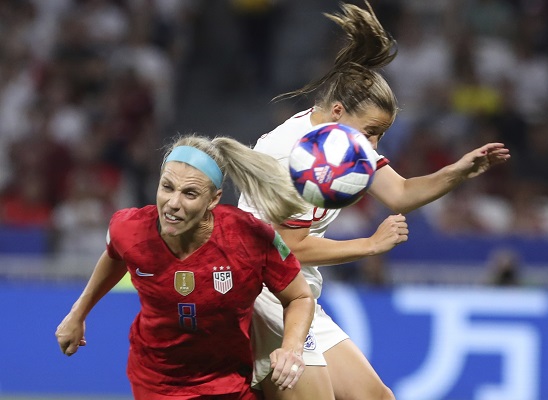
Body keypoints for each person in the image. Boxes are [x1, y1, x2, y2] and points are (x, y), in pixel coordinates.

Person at [237, 2, 511, 399]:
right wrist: (369, 245)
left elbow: (399, 192)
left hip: (296, 292)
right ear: (337, 111)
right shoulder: (290, 156)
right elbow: (288, 247)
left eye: (379, 135)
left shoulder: (341, 143)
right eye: (370, 132)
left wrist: (459, 172)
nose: (374, 146)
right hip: (263, 291)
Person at [56, 134, 316, 400]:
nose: (173, 203)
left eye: (189, 193)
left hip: (229, 383)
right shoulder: (128, 229)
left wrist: (292, 348)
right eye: (167, 187)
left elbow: (299, 295)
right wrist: (78, 312)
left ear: (213, 200)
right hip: (155, 382)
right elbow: (114, 256)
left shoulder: (249, 238)